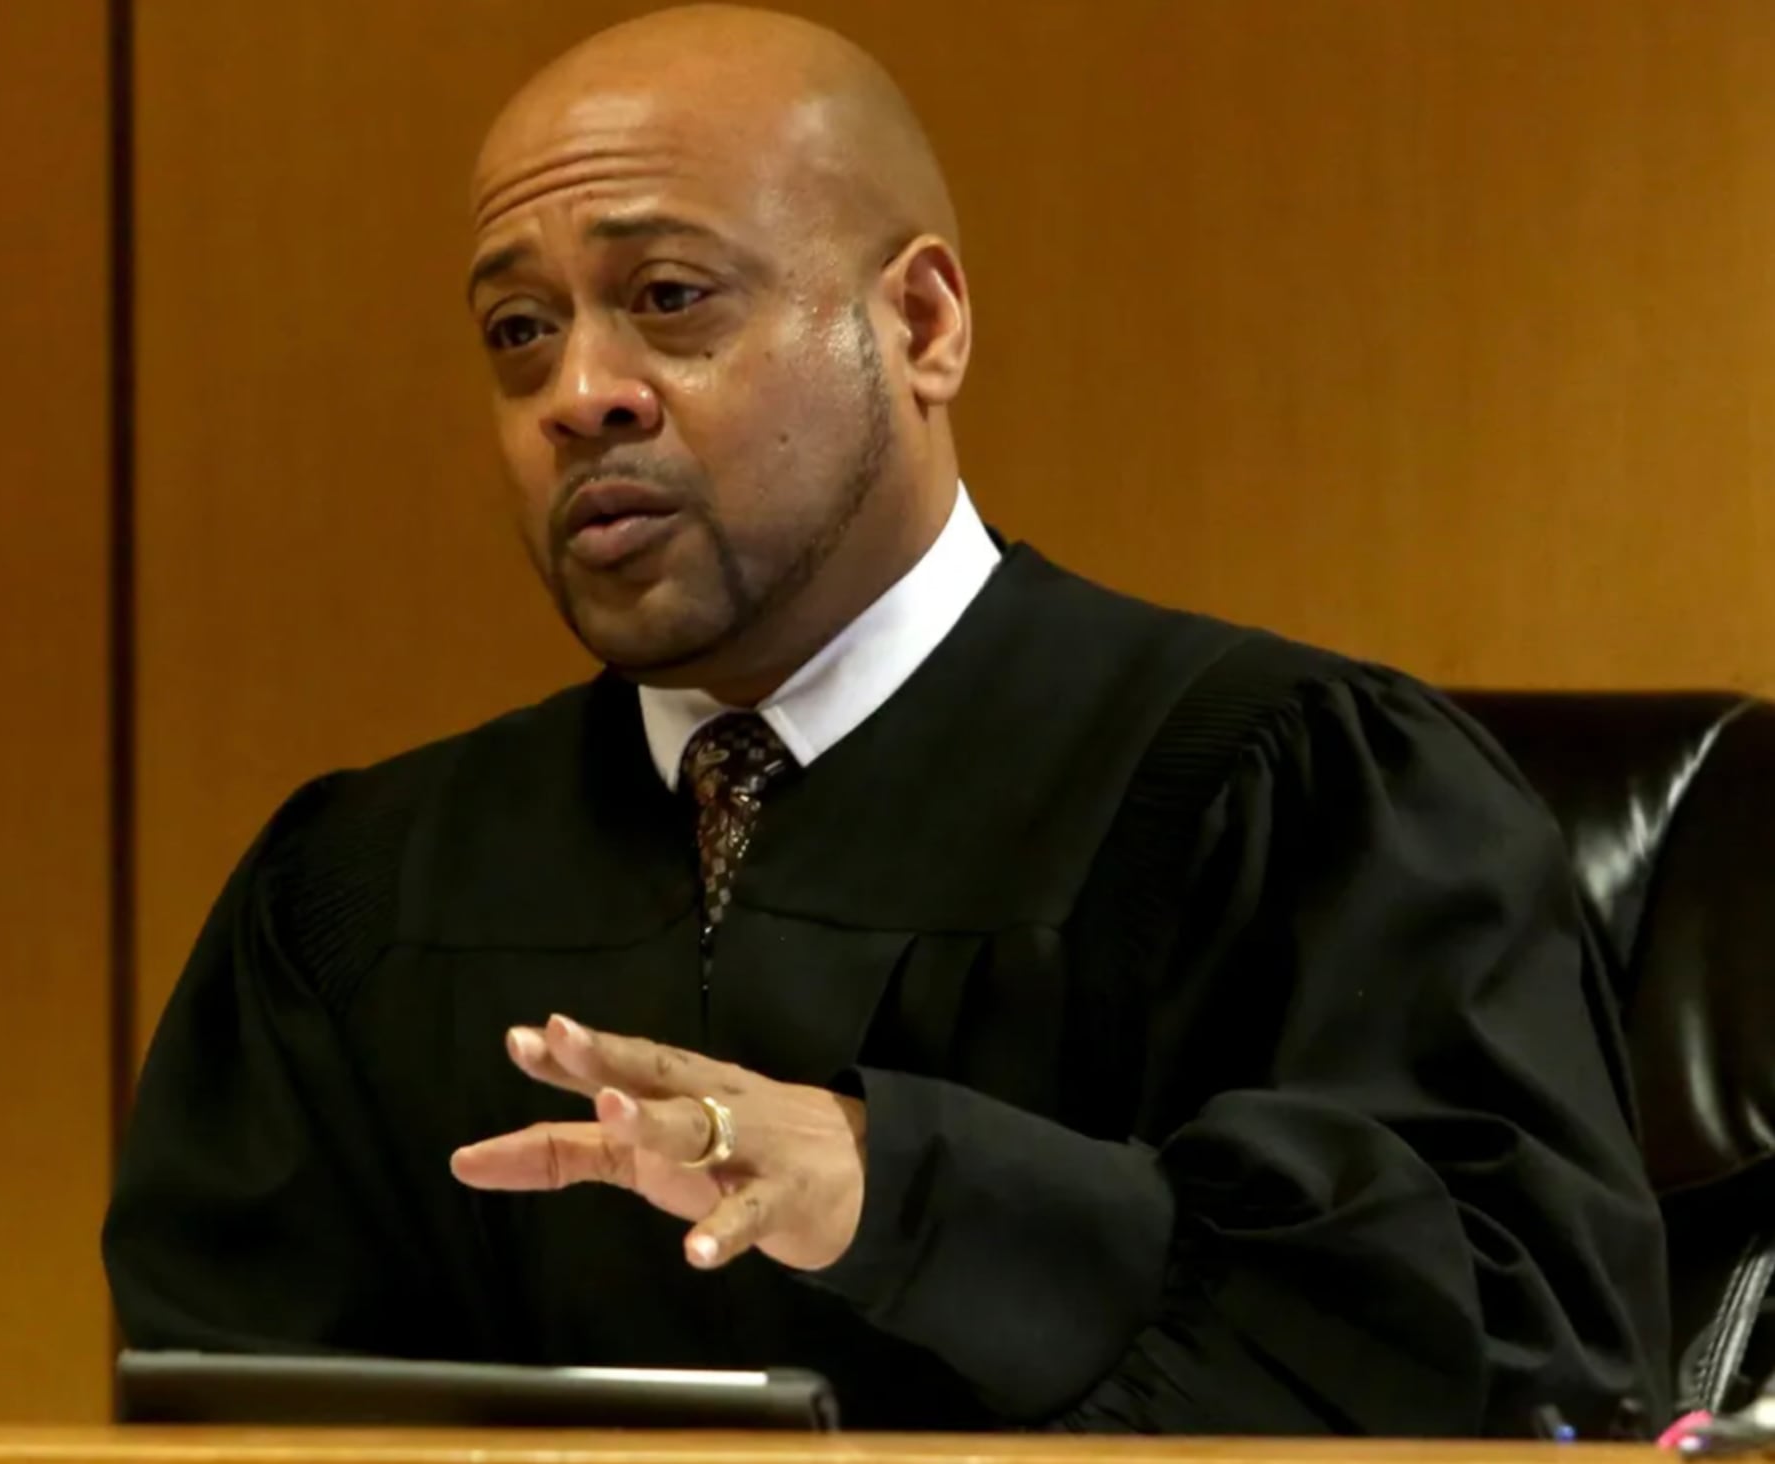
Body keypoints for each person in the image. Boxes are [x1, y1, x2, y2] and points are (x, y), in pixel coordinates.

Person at [103, 4, 1668, 1435]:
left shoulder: (1296, 795)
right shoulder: (360, 902)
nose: (580, 392)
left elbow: (1516, 1384)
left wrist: (904, 1189)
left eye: (668, 298)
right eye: (518, 330)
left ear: (920, 325)